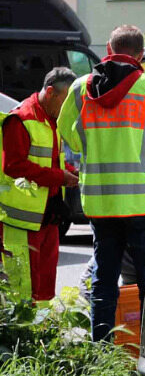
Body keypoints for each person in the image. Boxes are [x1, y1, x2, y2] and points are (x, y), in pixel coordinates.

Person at [58, 24, 145, 340]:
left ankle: (102, 346)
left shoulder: (79, 89)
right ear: (140, 55)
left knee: (104, 277)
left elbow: (68, 134)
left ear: (109, 50)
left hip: (100, 203)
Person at [0, 67, 79, 304]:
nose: (67, 109)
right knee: (21, 289)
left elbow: (51, 160)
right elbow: (13, 167)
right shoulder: (21, 119)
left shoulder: (50, 118)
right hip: (21, 222)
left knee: (44, 287)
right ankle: (24, 338)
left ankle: (42, 333)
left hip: (47, 216)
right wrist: (59, 177)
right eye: (65, 101)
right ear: (51, 92)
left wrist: (70, 174)